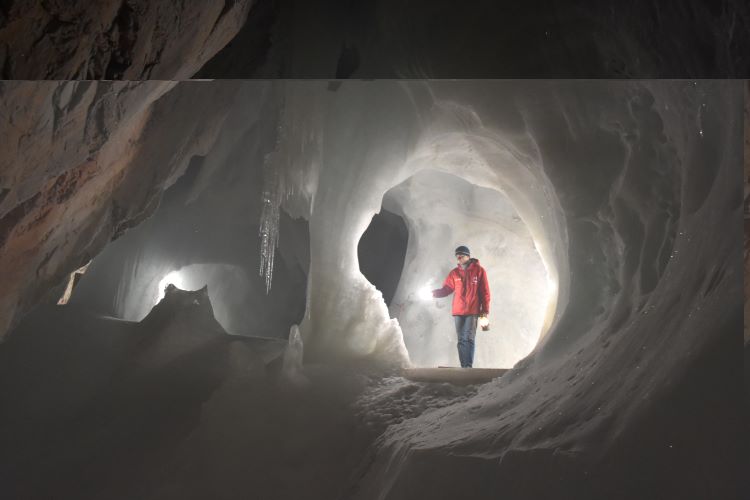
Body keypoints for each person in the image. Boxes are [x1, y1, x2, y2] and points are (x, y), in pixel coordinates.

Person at [432, 245, 490, 368]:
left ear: (468, 256)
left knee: (469, 338)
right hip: (458, 311)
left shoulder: (479, 271)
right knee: (461, 340)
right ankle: (464, 366)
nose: (459, 258)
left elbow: (485, 292)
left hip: (472, 311)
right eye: (457, 256)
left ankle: (468, 366)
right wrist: (435, 293)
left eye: (461, 256)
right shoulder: (454, 273)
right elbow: (447, 289)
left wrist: (484, 311)